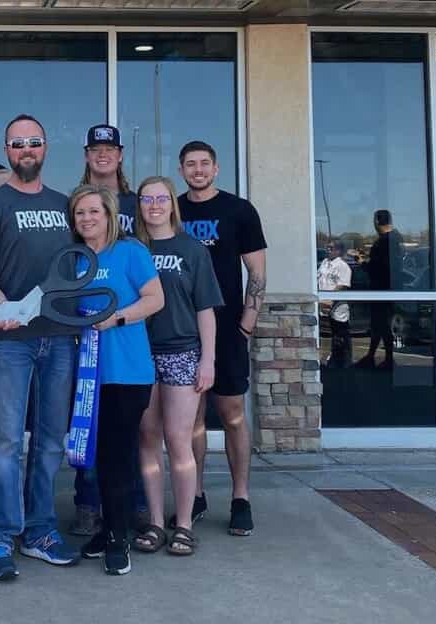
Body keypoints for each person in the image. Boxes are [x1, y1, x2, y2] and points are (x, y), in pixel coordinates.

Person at [0, 114, 80, 581]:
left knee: (51, 441)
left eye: (33, 142)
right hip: (9, 342)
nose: (26, 150)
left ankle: (39, 531)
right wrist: (2, 304)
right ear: (7, 150)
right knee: (5, 443)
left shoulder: (65, 205)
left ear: (46, 147)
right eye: (17, 144)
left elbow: (84, 265)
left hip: (59, 339)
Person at [68, 185, 164, 575]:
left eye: (94, 211)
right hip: (89, 375)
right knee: (96, 457)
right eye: (79, 213)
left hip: (127, 372)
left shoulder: (131, 252)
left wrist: (115, 318)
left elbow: (155, 299)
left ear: (109, 214)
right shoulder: (74, 259)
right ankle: (109, 527)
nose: (87, 219)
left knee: (117, 456)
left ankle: (117, 538)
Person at [177, 140, 266, 536]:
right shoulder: (173, 210)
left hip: (228, 328)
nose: (197, 170)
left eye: (204, 164)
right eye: (190, 164)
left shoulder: (239, 211)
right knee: (191, 419)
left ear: (216, 169)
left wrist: (247, 321)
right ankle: (194, 495)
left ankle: (240, 497)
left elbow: (257, 272)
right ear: (181, 170)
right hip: (182, 331)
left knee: (231, 415)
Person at [135, 176, 223, 557]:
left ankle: (183, 524)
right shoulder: (132, 248)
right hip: (139, 353)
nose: (154, 205)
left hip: (182, 352)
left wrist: (208, 359)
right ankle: (155, 521)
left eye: (161, 198)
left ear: (172, 203)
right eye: (147, 199)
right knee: (147, 439)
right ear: (139, 205)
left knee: (178, 440)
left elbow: (206, 309)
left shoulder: (192, 249)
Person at [70, 124, 145, 537]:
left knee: (125, 434)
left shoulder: (137, 208)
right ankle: (87, 502)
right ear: (87, 154)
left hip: (128, 337)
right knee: (86, 420)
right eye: (95, 148)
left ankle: (131, 506)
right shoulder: (76, 203)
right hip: (84, 341)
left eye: (109, 148)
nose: (102, 155)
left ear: (119, 155)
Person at [356, 210, 403, 369]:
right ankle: (371, 356)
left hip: (383, 290)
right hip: (390, 289)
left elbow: (379, 268)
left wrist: (362, 262)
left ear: (377, 221)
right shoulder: (396, 239)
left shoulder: (384, 242)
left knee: (382, 324)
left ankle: (387, 359)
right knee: (378, 325)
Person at [318, 240, 352, 369]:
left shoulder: (343, 266)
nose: (328, 250)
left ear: (338, 251)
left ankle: (343, 362)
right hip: (323, 305)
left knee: (340, 335)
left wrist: (330, 301)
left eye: (331, 248)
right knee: (331, 335)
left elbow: (342, 286)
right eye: (327, 247)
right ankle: (333, 359)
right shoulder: (325, 263)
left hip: (337, 308)